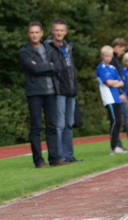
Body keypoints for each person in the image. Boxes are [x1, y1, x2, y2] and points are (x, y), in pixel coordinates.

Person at [19, 22, 66, 168]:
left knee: (52, 126)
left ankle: (54, 158)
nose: (34, 35)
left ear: (41, 33)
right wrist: (48, 66)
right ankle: (39, 161)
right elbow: (33, 69)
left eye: (37, 32)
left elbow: (58, 67)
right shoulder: (24, 51)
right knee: (36, 126)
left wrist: (43, 67)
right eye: (31, 32)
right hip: (35, 92)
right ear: (28, 34)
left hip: (51, 92)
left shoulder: (49, 49)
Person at [45, 18, 82, 163]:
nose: (59, 33)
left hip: (70, 90)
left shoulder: (67, 47)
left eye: (62, 30)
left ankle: (69, 155)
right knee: (59, 124)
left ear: (65, 32)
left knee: (69, 124)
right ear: (52, 31)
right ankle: (59, 156)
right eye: (57, 30)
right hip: (59, 90)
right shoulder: (48, 47)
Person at [96, 45, 126, 155]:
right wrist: (114, 83)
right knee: (114, 121)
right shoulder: (101, 68)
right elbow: (108, 83)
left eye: (110, 56)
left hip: (116, 97)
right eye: (106, 56)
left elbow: (121, 82)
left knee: (119, 121)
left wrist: (115, 83)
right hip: (109, 98)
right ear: (102, 56)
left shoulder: (112, 68)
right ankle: (113, 146)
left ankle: (117, 145)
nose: (108, 58)